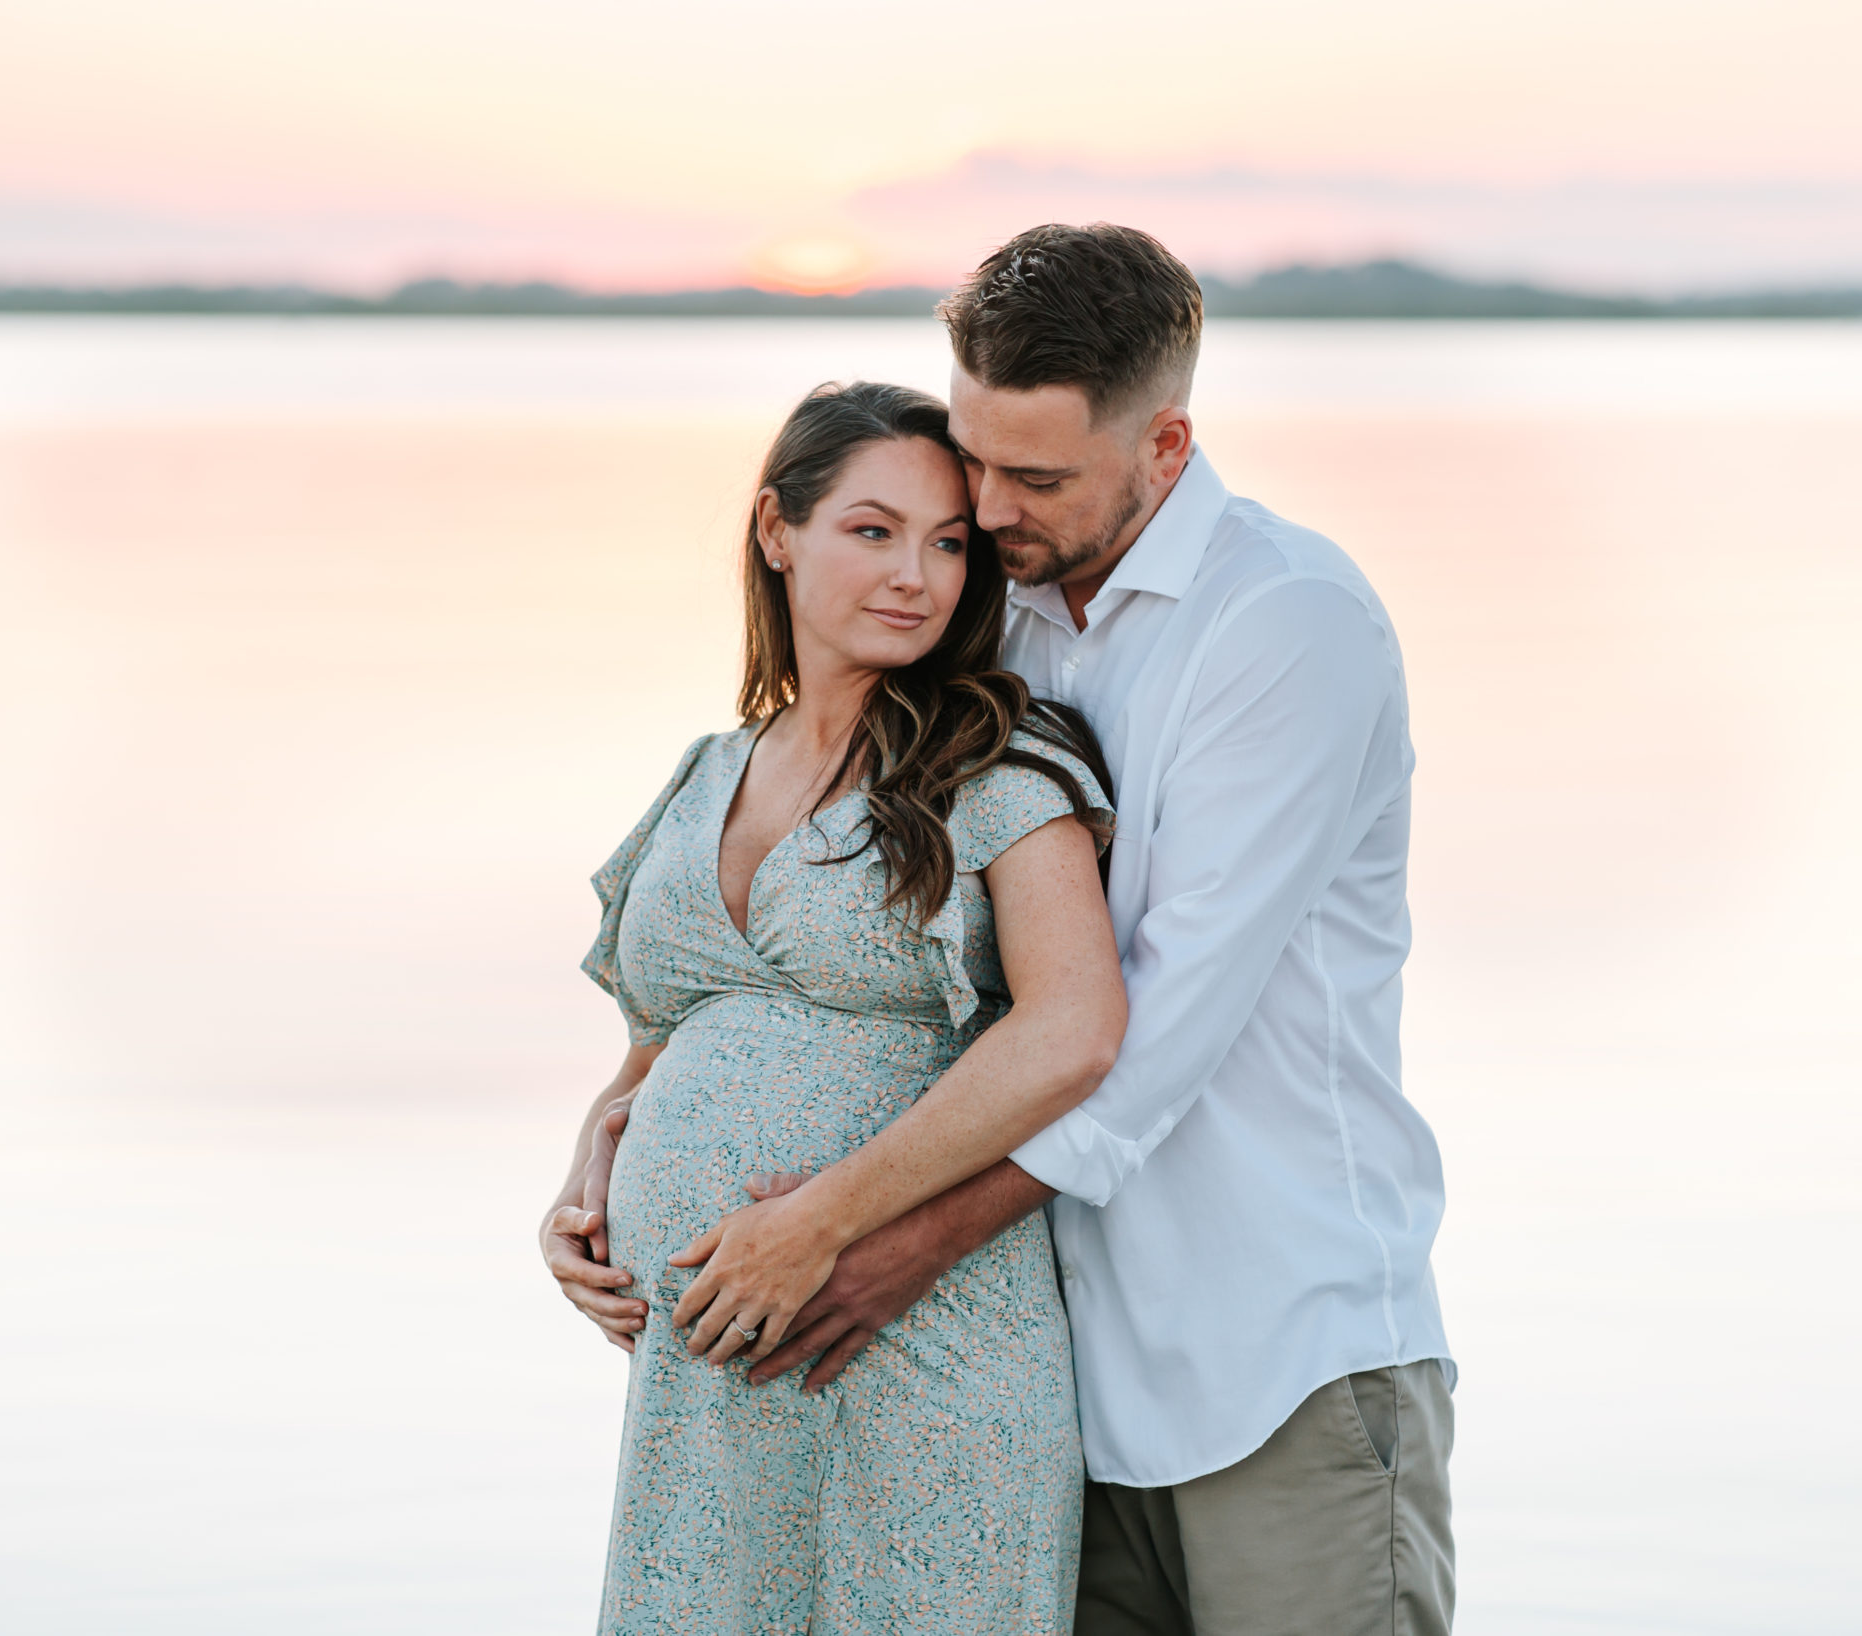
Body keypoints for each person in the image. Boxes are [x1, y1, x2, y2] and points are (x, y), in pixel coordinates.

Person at [553, 223, 1457, 1635]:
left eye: (1031, 479)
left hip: (1267, 1350)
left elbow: (1144, 1032)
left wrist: (880, 1243)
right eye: (975, 460)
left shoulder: (1284, 625)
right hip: (1058, 1362)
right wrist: (619, 1132)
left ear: (1166, 449)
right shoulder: (1003, 617)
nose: (985, 512)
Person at [540, 379, 1128, 1634]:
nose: (917, 573)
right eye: (872, 530)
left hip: (913, 1337)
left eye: (949, 541)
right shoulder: (707, 771)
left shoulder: (1001, 761)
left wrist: (815, 1220)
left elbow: (1073, 1030)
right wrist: (584, 1188)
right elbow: (657, 1042)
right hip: (706, 1364)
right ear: (775, 530)